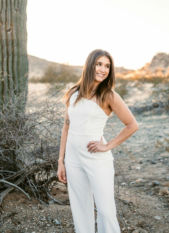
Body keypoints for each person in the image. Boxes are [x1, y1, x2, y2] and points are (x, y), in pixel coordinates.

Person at [57, 49, 139, 233]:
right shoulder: (73, 93)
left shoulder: (108, 95)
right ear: (90, 65)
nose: (103, 69)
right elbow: (66, 127)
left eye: (107, 66)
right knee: (79, 208)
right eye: (99, 64)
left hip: (96, 158)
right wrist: (60, 161)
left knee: (106, 210)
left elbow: (132, 125)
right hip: (72, 158)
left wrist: (108, 145)